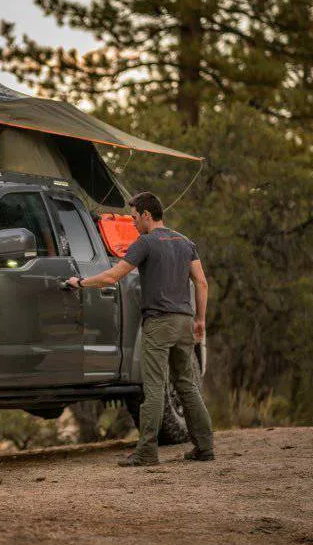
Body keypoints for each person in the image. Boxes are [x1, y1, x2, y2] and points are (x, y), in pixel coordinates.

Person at [65, 192, 214, 466]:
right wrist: (200, 320)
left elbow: (113, 276)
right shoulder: (185, 242)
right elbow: (201, 283)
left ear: (147, 215)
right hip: (184, 321)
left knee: (154, 387)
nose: (132, 223)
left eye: (134, 217)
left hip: (158, 324)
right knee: (187, 385)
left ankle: (147, 452)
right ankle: (204, 447)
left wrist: (81, 282)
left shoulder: (145, 243)